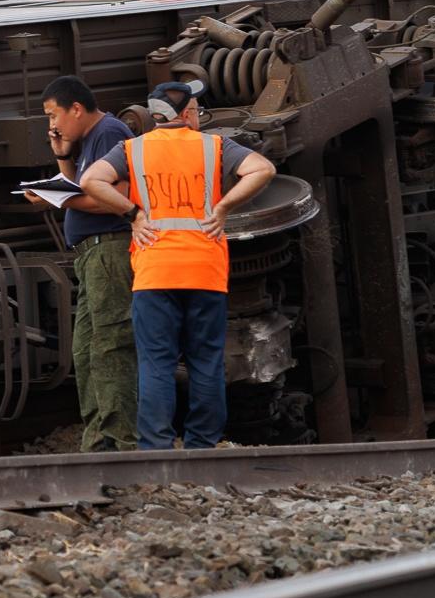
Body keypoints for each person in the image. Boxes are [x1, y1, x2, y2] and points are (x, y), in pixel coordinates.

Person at [80, 80, 275, 450]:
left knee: (156, 363)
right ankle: (203, 445)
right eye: (197, 109)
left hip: (154, 273)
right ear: (185, 114)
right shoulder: (214, 146)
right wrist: (222, 208)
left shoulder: (131, 150)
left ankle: (155, 448)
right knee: (205, 361)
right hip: (205, 270)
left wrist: (133, 214)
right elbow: (262, 169)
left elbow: (91, 180)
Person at [36, 76, 137, 451]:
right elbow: (77, 185)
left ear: (76, 108)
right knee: (86, 348)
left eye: (53, 116)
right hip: (92, 254)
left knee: (111, 345)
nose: (52, 125)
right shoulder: (88, 139)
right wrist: (62, 153)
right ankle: (98, 438)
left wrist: (55, 199)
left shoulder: (109, 133)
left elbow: (115, 198)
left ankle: (120, 439)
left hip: (109, 248)